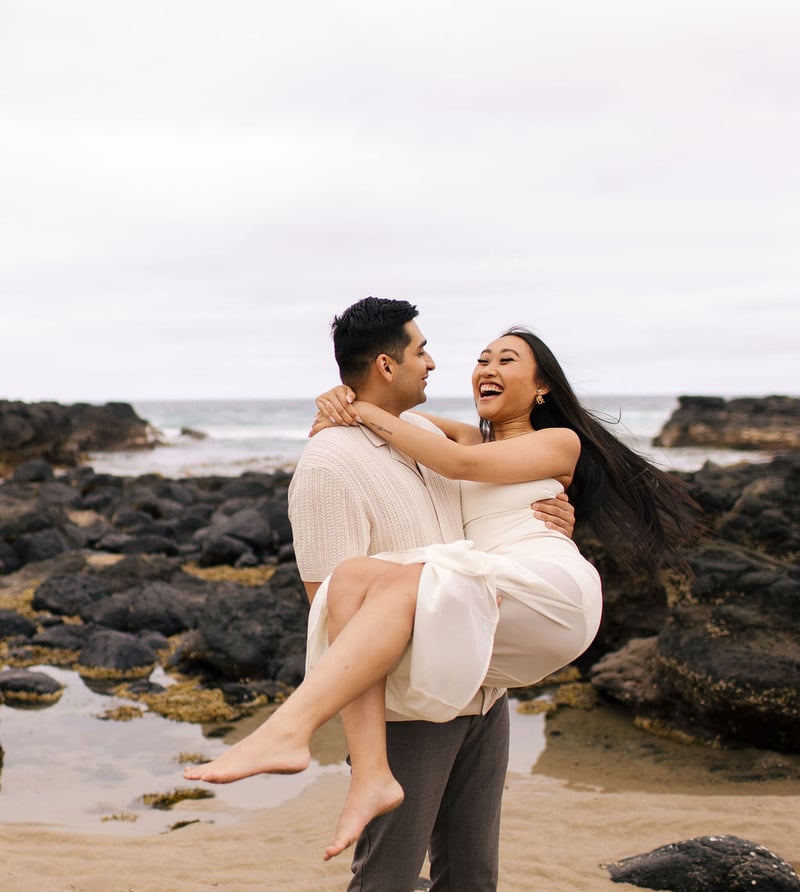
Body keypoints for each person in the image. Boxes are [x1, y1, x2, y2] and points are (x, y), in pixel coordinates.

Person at [186, 297, 576, 892]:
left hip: (480, 688)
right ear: (388, 365)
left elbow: (492, 516)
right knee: (386, 883)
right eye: (424, 350)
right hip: (410, 705)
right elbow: (332, 608)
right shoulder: (330, 465)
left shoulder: (434, 446)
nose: (438, 363)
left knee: (472, 876)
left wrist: (553, 511)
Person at [186, 326, 694, 864]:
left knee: (403, 582)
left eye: (507, 360)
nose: (487, 369)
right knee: (350, 580)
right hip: (487, 585)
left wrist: (362, 411)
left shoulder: (557, 441)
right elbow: (410, 423)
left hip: (548, 589)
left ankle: (290, 726)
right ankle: (372, 775)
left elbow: (458, 466)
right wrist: (341, 398)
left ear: (542, 385)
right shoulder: (471, 436)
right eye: (481, 359)